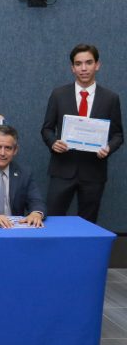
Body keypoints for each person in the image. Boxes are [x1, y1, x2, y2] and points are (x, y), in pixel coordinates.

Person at [41, 44, 123, 223]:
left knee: (88, 223)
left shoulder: (110, 98)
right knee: (52, 220)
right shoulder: (59, 95)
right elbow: (46, 129)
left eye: (88, 62)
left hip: (94, 172)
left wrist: (109, 148)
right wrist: (53, 142)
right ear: (72, 68)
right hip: (62, 169)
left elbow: (118, 135)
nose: (83, 68)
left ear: (97, 65)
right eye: (78, 64)